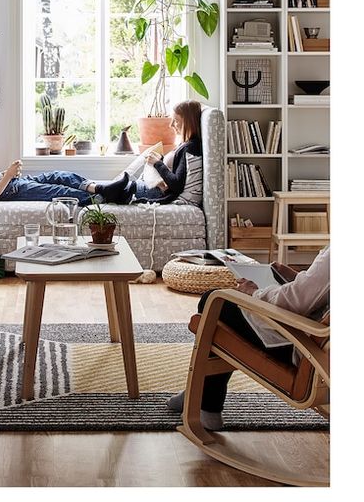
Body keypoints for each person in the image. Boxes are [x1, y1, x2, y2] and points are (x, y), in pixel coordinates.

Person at [167, 245, 330, 430]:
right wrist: (294, 277)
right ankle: (202, 396)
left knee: (215, 302)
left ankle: (206, 406)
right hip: (318, 347)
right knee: (225, 310)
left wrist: (253, 293)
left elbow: (293, 303)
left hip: (306, 350)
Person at [0, 122, 100, 205]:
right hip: (10, 191)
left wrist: (8, 172)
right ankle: (100, 198)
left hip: (15, 182)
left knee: (59, 175)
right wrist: (8, 175)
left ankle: (98, 188)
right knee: (58, 190)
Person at [96, 99, 203, 206]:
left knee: (96, 190)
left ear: (188, 122)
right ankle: (87, 187)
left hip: (153, 191)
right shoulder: (187, 145)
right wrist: (160, 159)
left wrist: (157, 163)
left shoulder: (190, 148)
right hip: (151, 187)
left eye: (176, 120)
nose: (171, 125)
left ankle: (87, 187)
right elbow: (175, 174)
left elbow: (176, 185)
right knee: (94, 188)